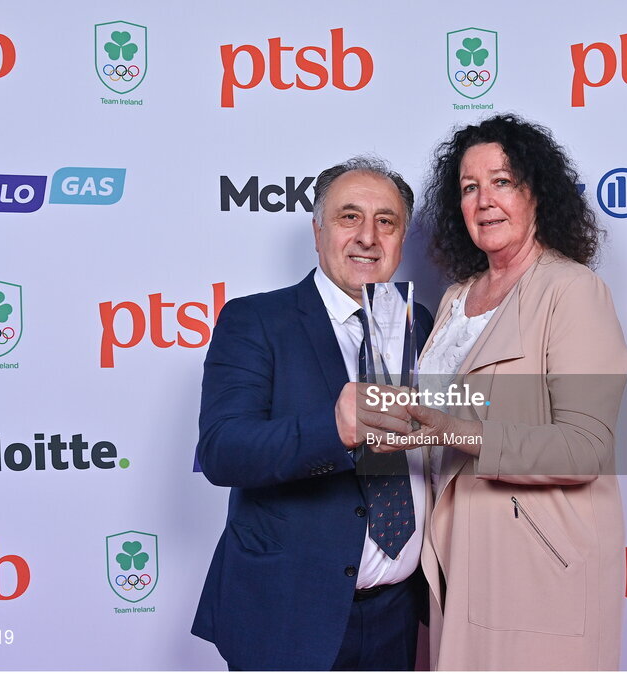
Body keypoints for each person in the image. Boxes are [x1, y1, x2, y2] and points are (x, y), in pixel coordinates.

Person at [372, 115, 627, 670]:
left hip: (539, 562)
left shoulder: (572, 291)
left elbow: (584, 446)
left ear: (536, 192)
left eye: (502, 181)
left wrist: (455, 429)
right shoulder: (456, 298)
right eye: (470, 187)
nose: (484, 200)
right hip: (457, 552)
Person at [191, 157, 434, 671]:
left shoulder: (420, 321)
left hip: (397, 613)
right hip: (288, 613)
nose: (368, 237)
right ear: (317, 230)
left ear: (401, 238)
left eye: (385, 222)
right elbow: (222, 450)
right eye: (350, 217)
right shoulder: (256, 319)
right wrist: (334, 430)